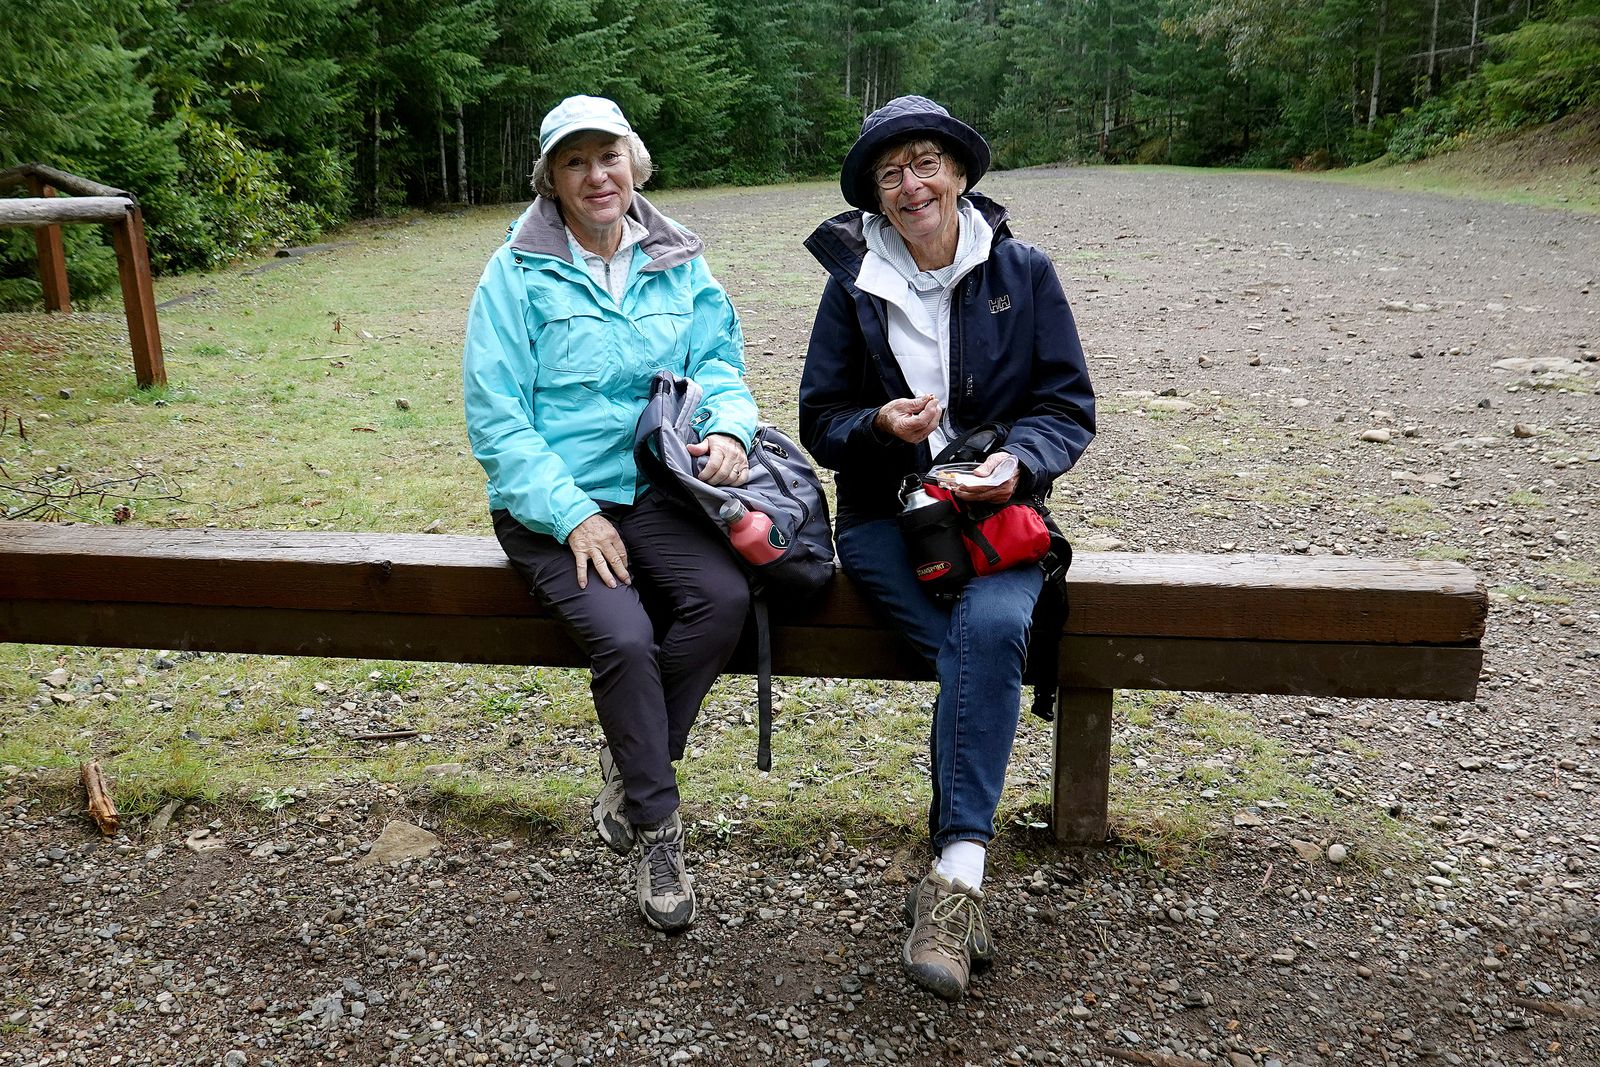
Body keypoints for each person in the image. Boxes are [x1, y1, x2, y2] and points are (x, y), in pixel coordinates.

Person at [798, 96, 1096, 999]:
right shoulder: (852, 285)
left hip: (996, 523)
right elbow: (820, 420)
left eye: (926, 163)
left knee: (992, 633)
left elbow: (1067, 406)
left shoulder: (1024, 271)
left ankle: (955, 881)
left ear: (961, 176)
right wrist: (882, 426)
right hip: (887, 521)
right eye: (891, 173)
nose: (911, 183)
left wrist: (1017, 460)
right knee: (984, 659)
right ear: (876, 197)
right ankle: (956, 882)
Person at [463, 95, 756, 933]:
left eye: (610, 156)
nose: (597, 175)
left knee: (722, 600)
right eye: (576, 161)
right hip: (552, 504)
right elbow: (497, 418)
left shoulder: (679, 261)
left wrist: (730, 428)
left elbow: (720, 362)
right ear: (552, 181)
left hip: (656, 490)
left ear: (635, 165)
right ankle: (658, 826)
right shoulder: (514, 273)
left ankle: (633, 770)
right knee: (625, 637)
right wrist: (571, 516)